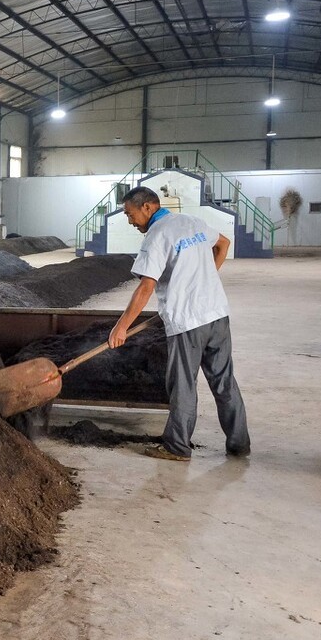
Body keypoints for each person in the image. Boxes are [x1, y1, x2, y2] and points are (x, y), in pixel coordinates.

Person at [108, 186, 251, 462]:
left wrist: (121, 326)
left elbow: (146, 287)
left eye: (130, 214)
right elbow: (223, 244)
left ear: (147, 207)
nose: (129, 220)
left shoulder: (156, 236)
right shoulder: (191, 222)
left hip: (188, 322)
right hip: (217, 314)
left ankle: (177, 447)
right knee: (224, 382)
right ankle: (239, 444)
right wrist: (203, 279)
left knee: (183, 384)